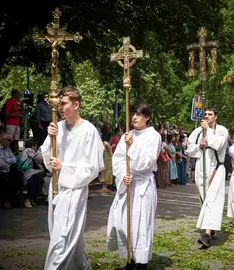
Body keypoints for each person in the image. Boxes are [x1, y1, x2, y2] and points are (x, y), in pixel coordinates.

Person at [41, 87, 104, 270]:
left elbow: (92, 167)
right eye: (58, 103)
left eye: (63, 103)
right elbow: (47, 157)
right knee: (59, 234)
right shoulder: (58, 127)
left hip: (74, 189)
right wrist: (50, 136)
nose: (59, 107)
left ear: (76, 105)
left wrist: (64, 167)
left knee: (63, 237)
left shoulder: (88, 130)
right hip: (57, 186)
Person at [107, 103, 161, 270]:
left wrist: (134, 145)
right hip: (129, 184)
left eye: (139, 114)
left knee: (141, 224)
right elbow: (118, 160)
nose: (135, 118)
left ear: (147, 117)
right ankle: (129, 257)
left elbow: (148, 161)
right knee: (124, 221)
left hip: (144, 185)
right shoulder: (127, 135)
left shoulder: (154, 136)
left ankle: (142, 261)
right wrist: (124, 174)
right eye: (133, 114)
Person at [186, 107, 228, 248]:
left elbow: (219, 144)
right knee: (204, 199)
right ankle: (211, 226)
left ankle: (208, 234)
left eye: (210, 114)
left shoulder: (222, 130)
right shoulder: (198, 131)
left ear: (216, 117)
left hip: (216, 168)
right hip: (200, 168)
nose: (207, 116)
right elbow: (189, 149)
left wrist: (208, 132)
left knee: (213, 198)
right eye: (205, 114)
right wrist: (199, 145)